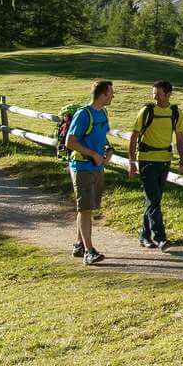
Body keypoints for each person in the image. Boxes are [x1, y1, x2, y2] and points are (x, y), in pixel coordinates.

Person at [126, 80, 183, 250]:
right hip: (147, 160)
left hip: (165, 160)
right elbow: (133, 136)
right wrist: (132, 162)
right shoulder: (146, 111)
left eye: (158, 95)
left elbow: (180, 138)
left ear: (168, 94)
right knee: (154, 199)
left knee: (154, 200)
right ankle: (160, 238)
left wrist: (182, 160)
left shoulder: (175, 112)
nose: (155, 98)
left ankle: (144, 236)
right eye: (154, 95)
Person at [64, 79, 115, 264]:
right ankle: (89, 251)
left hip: (97, 167)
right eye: (111, 93)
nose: (113, 96)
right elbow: (70, 142)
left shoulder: (103, 112)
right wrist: (93, 154)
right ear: (102, 94)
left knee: (87, 208)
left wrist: (107, 150)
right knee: (85, 209)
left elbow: (102, 137)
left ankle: (79, 245)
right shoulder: (83, 114)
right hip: (82, 167)